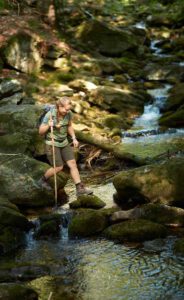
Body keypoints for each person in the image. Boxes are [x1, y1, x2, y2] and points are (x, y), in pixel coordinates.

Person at [38, 96, 93, 197]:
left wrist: (74, 138)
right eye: (66, 109)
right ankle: (42, 180)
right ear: (59, 106)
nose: (67, 111)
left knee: (72, 163)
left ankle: (79, 188)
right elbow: (40, 132)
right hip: (52, 143)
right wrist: (48, 125)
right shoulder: (49, 115)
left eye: (69, 109)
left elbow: (69, 126)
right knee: (58, 167)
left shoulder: (68, 114)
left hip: (63, 142)